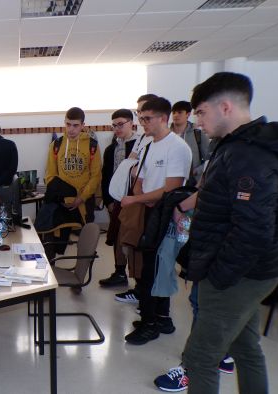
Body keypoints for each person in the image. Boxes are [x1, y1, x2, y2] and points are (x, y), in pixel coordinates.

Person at [177, 72, 278, 393]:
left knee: (200, 357)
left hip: (238, 276)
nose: (197, 121)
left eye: (201, 112)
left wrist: (218, 277)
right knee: (245, 347)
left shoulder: (246, 154)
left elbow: (253, 229)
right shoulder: (238, 146)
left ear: (224, 107)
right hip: (250, 272)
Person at [121, 97, 192, 345]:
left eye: (147, 118)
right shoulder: (149, 144)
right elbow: (141, 177)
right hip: (149, 211)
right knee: (148, 266)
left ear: (164, 118)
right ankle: (158, 317)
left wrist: (135, 200)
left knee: (156, 269)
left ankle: (152, 323)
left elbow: (171, 189)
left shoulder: (178, 147)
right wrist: (140, 197)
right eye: (140, 118)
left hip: (167, 216)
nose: (142, 123)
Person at [112, 93, 158, 304]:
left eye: (144, 113)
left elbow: (152, 176)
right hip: (134, 199)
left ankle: (146, 295)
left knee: (144, 250)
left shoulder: (166, 143)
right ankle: (138, 289)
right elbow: (130, 166)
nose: (141, 117)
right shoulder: (143, 139)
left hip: (149, 203)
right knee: (130, 243)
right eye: (139, 112)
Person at [99, 109, 139, 287]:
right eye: (114, 125)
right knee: (117, 236)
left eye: (121, 124)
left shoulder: (140, 145)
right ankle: (119, 272)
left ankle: (139, 279)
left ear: (132, 123)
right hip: (116, 199)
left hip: (135, 200)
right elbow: (106, 176)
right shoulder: (111, 149)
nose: (117, 128)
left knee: (133, 238)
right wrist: (107, 200)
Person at [170, 100, 210, 186]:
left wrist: (197, 171)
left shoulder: (198, 134)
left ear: (188, 114)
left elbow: (209, 158)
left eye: (180, 112)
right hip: (169, 180)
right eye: (173, 112)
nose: (176, 115)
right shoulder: (167, 134)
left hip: (192, 182)